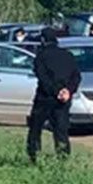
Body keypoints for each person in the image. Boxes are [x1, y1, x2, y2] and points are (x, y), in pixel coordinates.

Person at [28, 29, 81, 162]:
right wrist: (68, 91)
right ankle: (63, 158)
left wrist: (55, 91)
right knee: (61, 131)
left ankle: (35, 156)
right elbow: (76, 76)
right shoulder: (68, 56)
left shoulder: (41, 57)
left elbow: (43, 77)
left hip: (45, 98)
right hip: (63, 100)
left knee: (35, 129)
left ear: (43, 40)